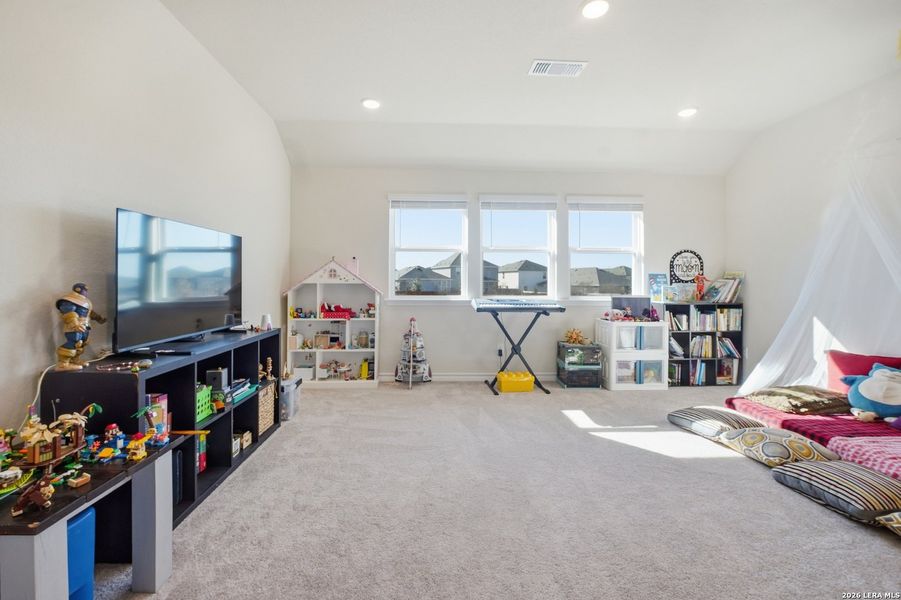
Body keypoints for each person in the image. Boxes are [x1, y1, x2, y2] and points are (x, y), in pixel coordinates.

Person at [55, 283, 106, 371]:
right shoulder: (70, 300)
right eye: (84, 290)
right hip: (74, 326)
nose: (86, 292)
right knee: (74, 342)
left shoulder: (84, 301)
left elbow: (89, 312)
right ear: (78, 290)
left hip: (84, 326)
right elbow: (68, 312)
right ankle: (63, 364)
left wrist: (99, 318)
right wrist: (75, 324)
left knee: (82, 343)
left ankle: (75, 360)